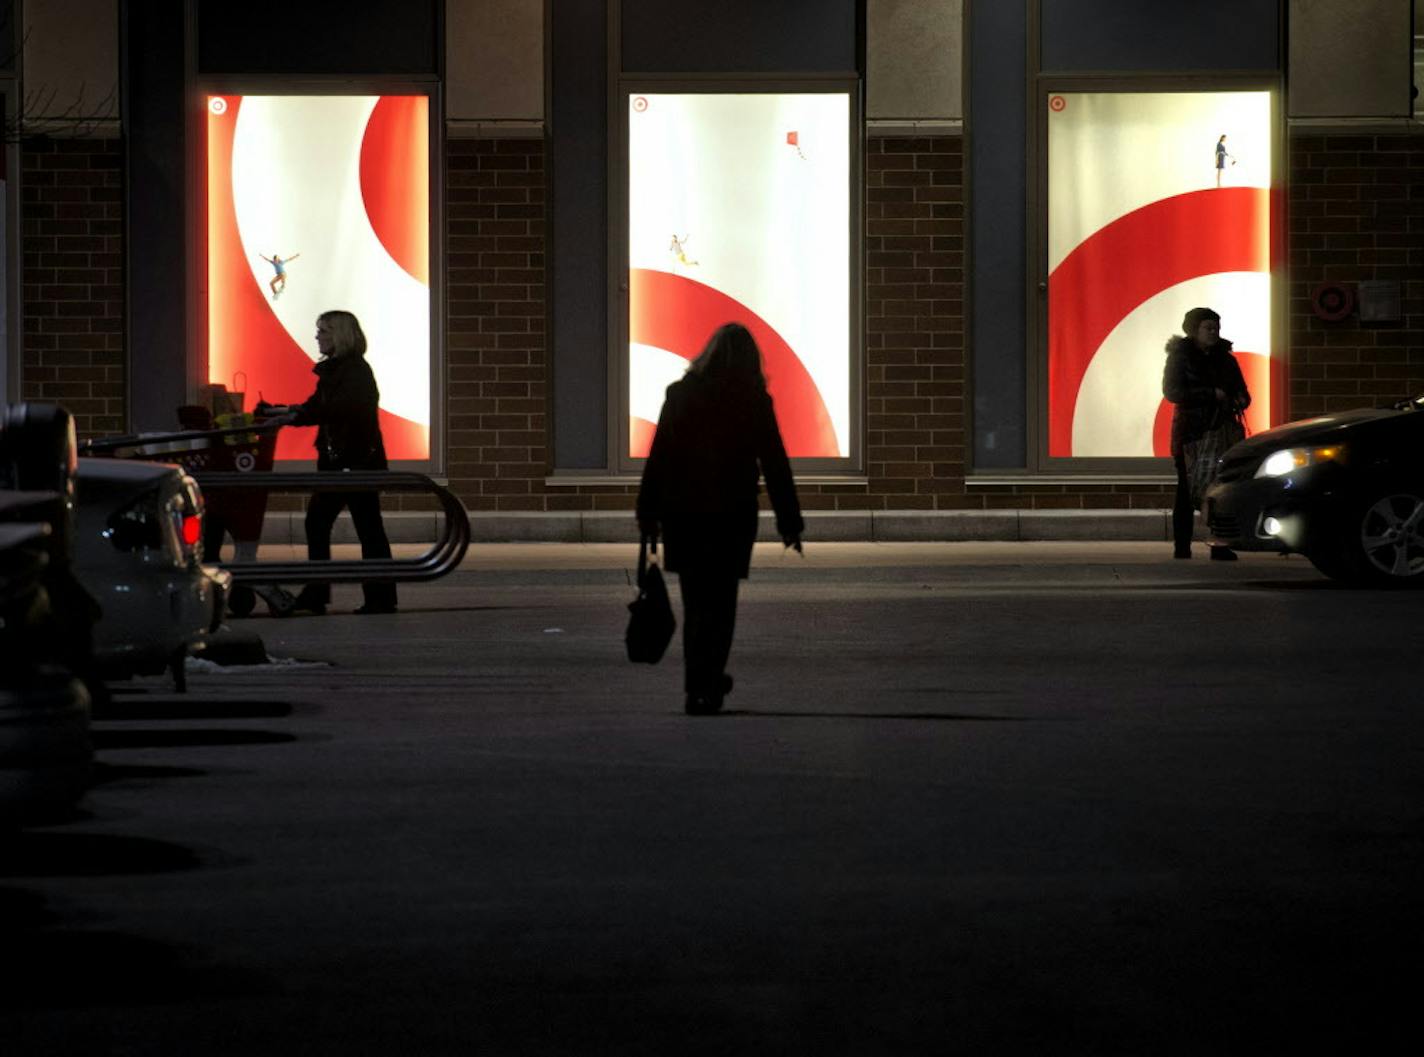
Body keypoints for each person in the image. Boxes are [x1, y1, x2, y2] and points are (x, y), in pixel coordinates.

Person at [636, 322, 804, 715]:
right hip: (732, 516)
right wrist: (790, 523)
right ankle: (709, 680)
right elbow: (775, 464)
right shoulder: (753, 400)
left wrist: (648, 512)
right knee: (722, 603)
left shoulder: (680, 396)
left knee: (695, 603)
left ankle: (698, 682)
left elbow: (660, 458)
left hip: (685, 515)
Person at [262, 310, 397, 614]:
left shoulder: (354, 372)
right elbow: (320, 407)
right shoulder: (337, 371)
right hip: (348, 462)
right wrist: (287, 413)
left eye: (323, 331)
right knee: (363, 527)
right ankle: (376, 596)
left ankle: (324, 593)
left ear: (339, 335)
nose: (317, 337)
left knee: (340, 524)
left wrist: (293, 416)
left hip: (353, 463)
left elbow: (338, 409)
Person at [1162, 306, 1251, 561]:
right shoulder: (1180, 357)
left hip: (1222, 432)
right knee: (1186, 490)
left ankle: (1220, 544)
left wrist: (1240, 399)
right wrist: (1210, 394)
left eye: (1216, 328)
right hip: (1192, 434)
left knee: (1221, 490)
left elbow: (1242, 391)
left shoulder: (1226, 359)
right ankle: (1182, 547)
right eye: (1208, 327)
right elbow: (1172, 392)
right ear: (1194, 331)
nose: (1213, 332)